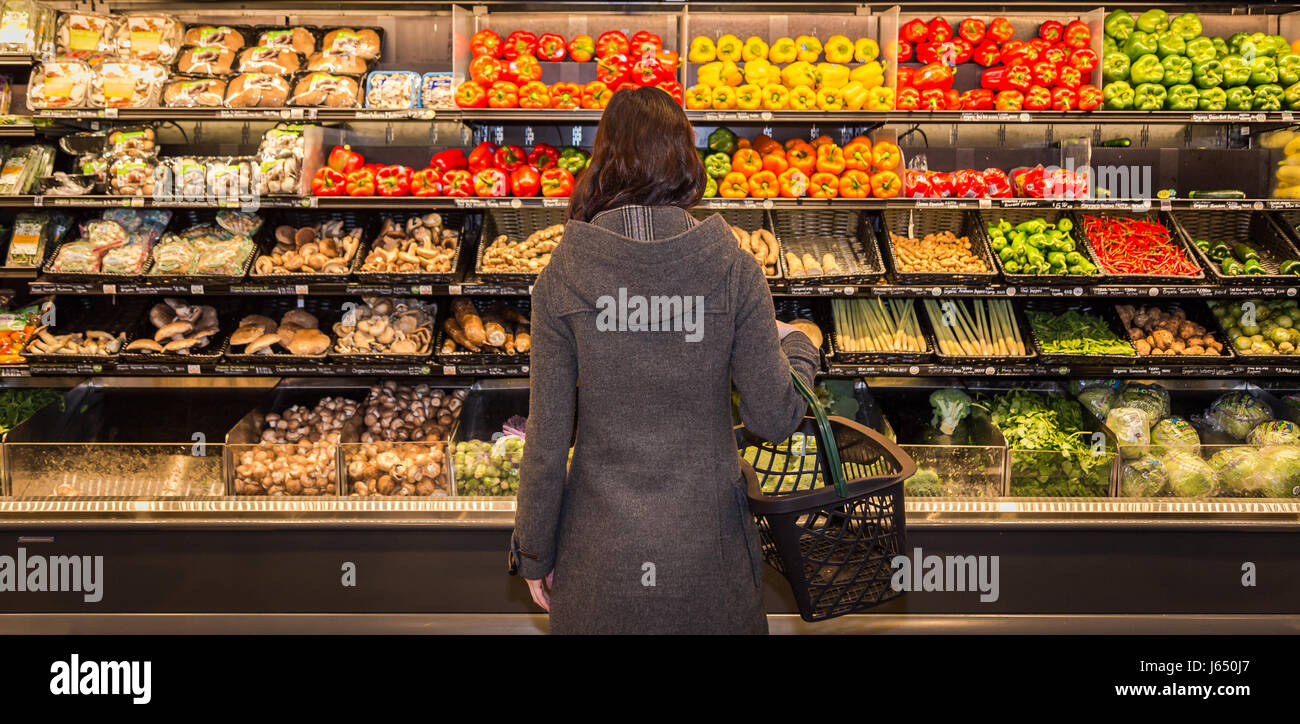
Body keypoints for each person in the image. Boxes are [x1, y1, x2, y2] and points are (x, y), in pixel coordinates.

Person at [509, 86, 819, 634]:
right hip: (709, 558)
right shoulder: (733, 269)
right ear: (686, 159)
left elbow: (547, 437)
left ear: (604, 159)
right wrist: (799, 347)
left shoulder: (561, 275)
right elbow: (775, 418)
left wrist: (534, 552)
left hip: (598, 559)